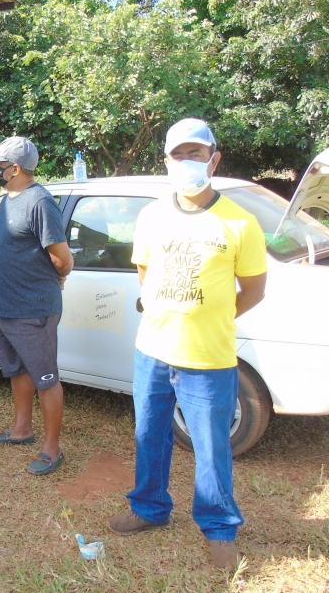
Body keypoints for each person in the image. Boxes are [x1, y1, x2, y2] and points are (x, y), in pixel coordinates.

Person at [107, 118, 267, 569]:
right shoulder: (152, 215)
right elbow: (145, 275)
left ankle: (218, 527)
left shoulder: (240, 223)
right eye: (179, 154)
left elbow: (253, 288)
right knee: (149, 436)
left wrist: (214, 316)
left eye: (196, 153)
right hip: (153, 352)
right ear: (166, 160)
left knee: (211, 446)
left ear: (214, 159)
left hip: (208, 358)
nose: (187, 162)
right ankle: (149, 508)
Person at [0, 137, 73, 475]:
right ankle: (22, 429)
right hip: (7, 306)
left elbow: (62, 258)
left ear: (15, 168)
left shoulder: (40, 202)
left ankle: (52, 448)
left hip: (34, 308)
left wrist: (57, 278)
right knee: (17, 368)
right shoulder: (10, 198)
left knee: (45, 377)